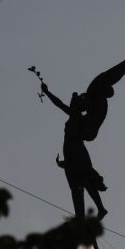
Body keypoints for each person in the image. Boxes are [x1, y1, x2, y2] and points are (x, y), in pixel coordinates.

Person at [42, 83, 109, 220]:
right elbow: (60, 104)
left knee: (84, 179)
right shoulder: (75, 116)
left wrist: (47, 93)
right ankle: (82, 216)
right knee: (76, 184)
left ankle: (99, 209)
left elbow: (59, 104)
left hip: (76, 148)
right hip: (70, 149)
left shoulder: (77, 116)